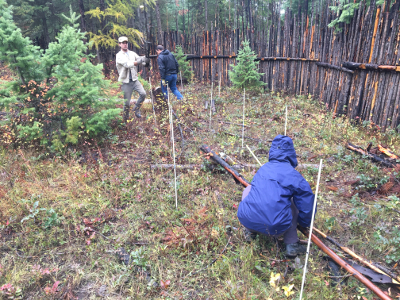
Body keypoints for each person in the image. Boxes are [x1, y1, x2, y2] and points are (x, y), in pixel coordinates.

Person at [237, 135, 315, 257]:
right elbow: (306, 203)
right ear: (291, 153)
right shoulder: (293, 175)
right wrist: (304, 223)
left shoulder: (264, 168)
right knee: (294, 203)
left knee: (249, 190)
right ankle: (292, 244)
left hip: (245, 218)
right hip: (275, 227)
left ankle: (250, 231)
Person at [116, 36, 149, 121]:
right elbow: (128, 64)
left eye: (126, 42)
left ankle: (136, 109)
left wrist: (145, 61)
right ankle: (125, 120)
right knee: (126, 103)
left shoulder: (132, 53)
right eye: (123, 43)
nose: (125, 44)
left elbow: (140, 59)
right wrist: (139, 61)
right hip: (125, 82)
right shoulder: (119, 56)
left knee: (143, 93)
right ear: (119, 44)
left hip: (134, 80)